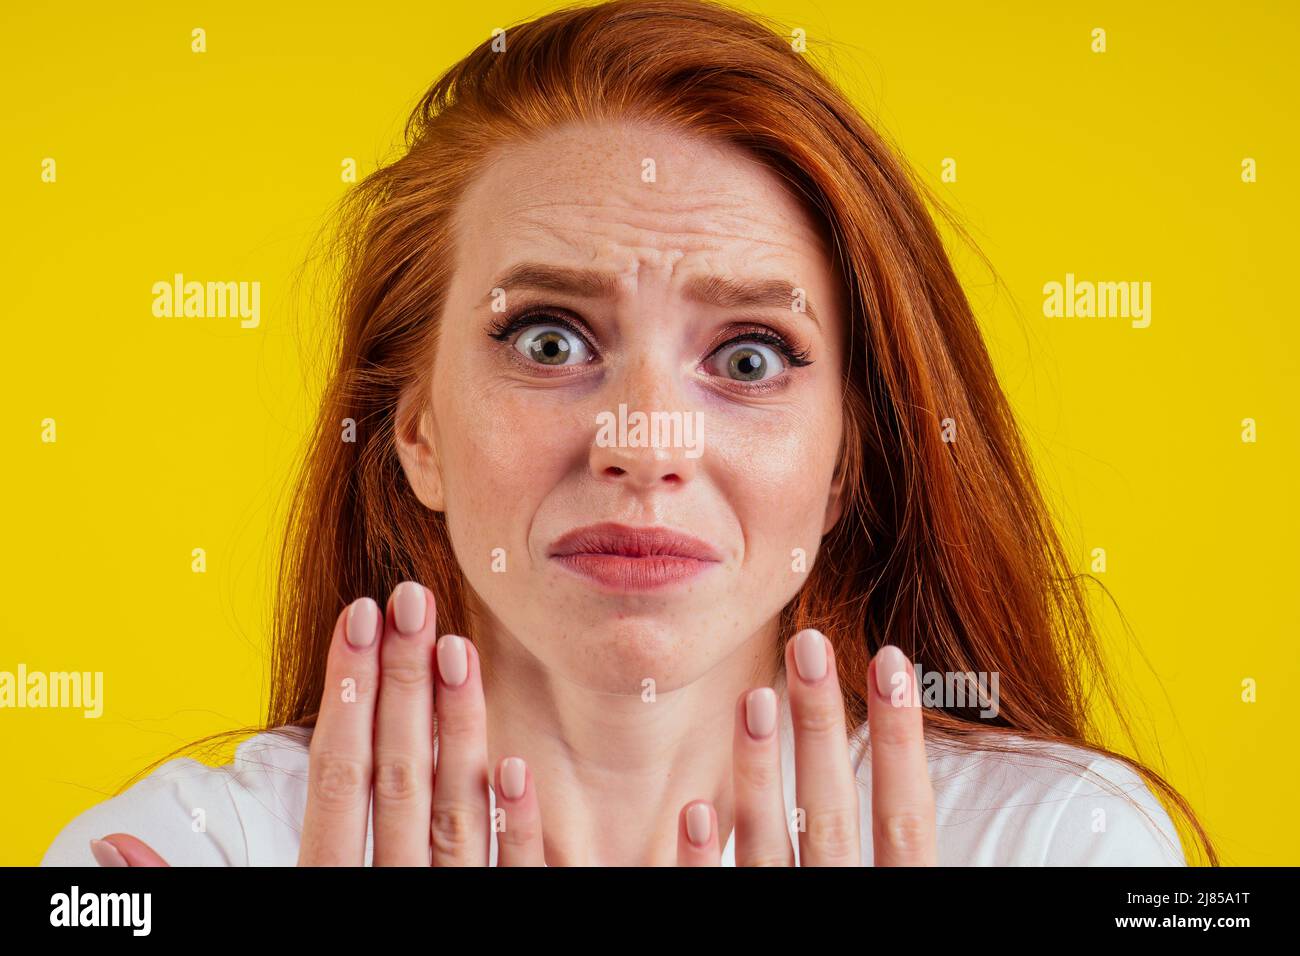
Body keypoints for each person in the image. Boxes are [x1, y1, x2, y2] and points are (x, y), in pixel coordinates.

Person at [41, 0, 1213, 867]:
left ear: (846, 458)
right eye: (548, 340)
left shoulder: (1068, 843)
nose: (644, 441)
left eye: (750, 356)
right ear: (416, 434)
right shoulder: (170, 855)